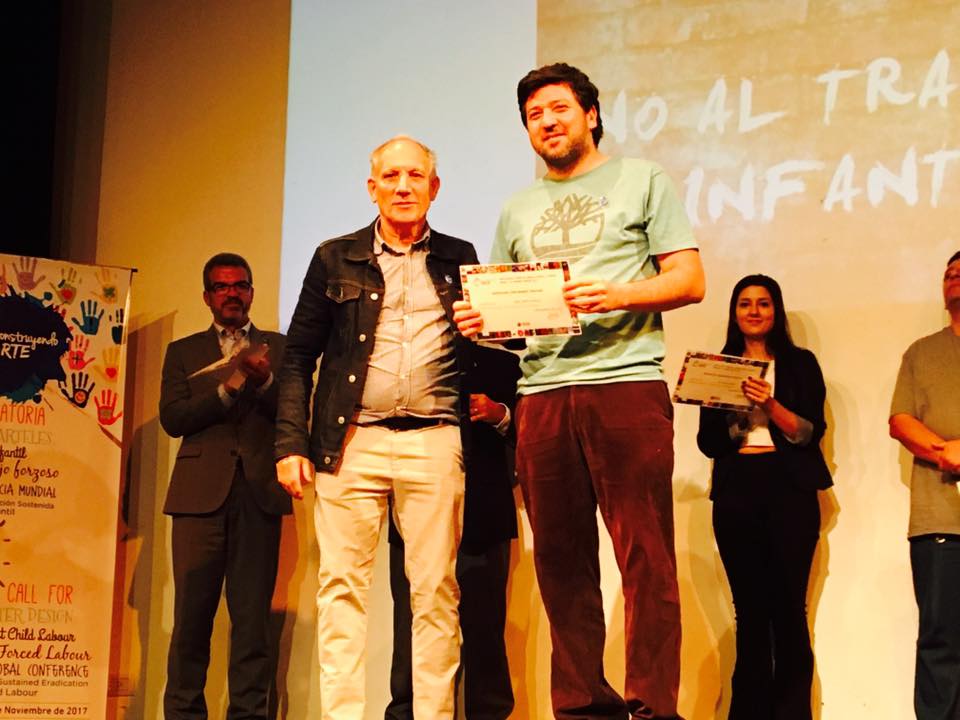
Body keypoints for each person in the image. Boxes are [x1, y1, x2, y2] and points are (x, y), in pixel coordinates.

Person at [455, 63, 705, 720]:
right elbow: (515, 319)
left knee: (645, 556)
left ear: (591, 115)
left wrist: (617, 293)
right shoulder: (516, 208)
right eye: (534, 115)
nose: (548, 122)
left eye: (559, 108)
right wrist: (484, 322)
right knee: (560, 564)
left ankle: (652, 707)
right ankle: (582, 707)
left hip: (625, 384)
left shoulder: (642, 179)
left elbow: (689, 279)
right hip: (541, 394)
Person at [274, 136, 479, 720]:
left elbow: (496, 340)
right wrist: (290, 442)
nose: (403, 187)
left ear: (434, 188)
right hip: (351, 441)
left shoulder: (461, 256)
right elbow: (298, 356)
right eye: (391, 176)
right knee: (341, 588)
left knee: (436, 591)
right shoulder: (334, 257)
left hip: (435, 438)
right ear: (372, 188)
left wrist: (491, 327)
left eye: (415, 176)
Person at [158, 252, 290, 719]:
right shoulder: (183, 351)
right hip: (198, 499)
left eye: (240, 285)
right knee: (191, 622)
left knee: (252, 624)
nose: (231, 293)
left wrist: (265, 380)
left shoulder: (280, 346)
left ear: (251, 292)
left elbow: (295, 410)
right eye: (221, 286)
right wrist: (226, 390)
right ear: (207, 296)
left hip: (258, 494)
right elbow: (173, 418)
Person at [696, 275, 832, 719]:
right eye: (745, 304)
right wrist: (739, 411)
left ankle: (792, 712)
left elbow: (810, 433)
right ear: (734, 313)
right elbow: (708, 443)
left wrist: (770, 406)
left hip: (789, 490)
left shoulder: (800, 363)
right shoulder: (719, 366)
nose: (754, 311)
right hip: (737, 492)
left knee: (790, 610)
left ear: (777, 311)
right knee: (751, 614)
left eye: (764, 303)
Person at [385, 343, 521, 720]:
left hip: (483, 518)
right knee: (412, 632)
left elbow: (531, 433)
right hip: (413, 518)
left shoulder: (502, 362)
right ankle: (407, 713)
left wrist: (499, 414)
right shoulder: (405, 357)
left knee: (485, 635)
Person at [889, 250, 960, 720]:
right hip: (940, 521)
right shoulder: (921, 352)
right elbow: (900, 421)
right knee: (940, 638)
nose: (954, 278)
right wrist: (944, 451)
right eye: (949, 273)